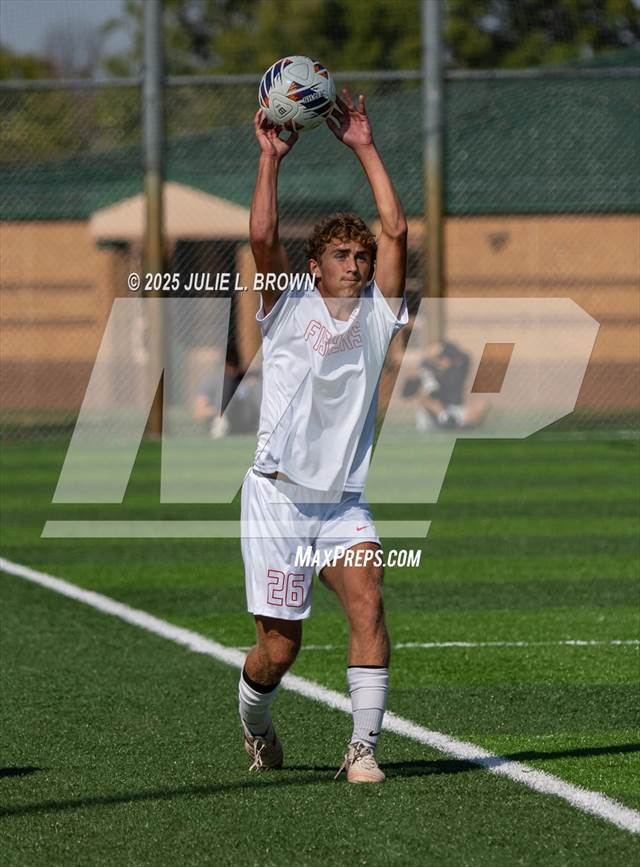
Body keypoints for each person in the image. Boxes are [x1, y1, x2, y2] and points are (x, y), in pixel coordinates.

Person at [238, 87, 408, 783]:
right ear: (315, 265)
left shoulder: (376, 315)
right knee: (279, 650)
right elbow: (260, 239)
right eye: (342, 255)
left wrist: (364, 146)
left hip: (341, 500)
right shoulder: (285, 305)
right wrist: (270, 160)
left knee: (368, 598)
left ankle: (362, 749)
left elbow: (396, 230)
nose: (356, 264)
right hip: (277, 500)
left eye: (360, 257)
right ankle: (255, 720)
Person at [403, 339, 489, 430]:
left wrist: (439, 348)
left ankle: (459, 425)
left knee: (482, 404)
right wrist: (413, 377)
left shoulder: (458, 369)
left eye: (445, 358)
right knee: (424, 397)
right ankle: (446, 419)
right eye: (441, 358)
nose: (443, 361)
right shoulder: (426, 368)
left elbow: (464, 356)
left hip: (454, 410)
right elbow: (406, 394)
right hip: (434, 414)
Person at [193, 349, 261, 438]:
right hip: (225, 424)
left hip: (249, 422)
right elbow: (199, 412)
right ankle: (220, 422)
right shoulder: (213, 380)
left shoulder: (250, 378)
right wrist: (218, 410)